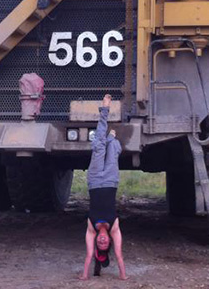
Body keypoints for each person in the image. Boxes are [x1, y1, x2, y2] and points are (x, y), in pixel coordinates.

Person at [79, 94, 127, 281]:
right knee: (113, 150)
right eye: (105, 244)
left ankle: (104, 110)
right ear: (109, 243)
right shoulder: (114, 228)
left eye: (100, 243)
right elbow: (120, 256)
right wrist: (123, 276)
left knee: (98, 146)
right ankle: (112, 140)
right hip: (110, 180)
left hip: (94, 180)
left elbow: (89, 255)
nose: (102, 241)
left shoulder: (91, 228)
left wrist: (85, 275)